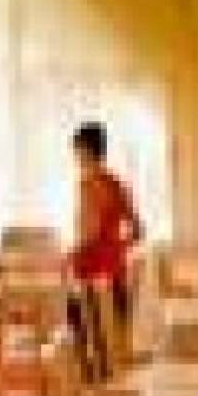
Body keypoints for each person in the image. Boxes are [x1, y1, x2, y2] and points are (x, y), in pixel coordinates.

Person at [66, 120, 143, 381]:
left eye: (76, 151)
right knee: (109, 344)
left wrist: (68, 256)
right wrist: (118, 247)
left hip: (92, 271)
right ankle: (109, 386)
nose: (75, 157)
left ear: (86, 150)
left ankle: (91, 391)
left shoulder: (88, 184)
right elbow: (138, 230)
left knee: (81, 332)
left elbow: (89, 231)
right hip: (115, 272)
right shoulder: (116, 183)